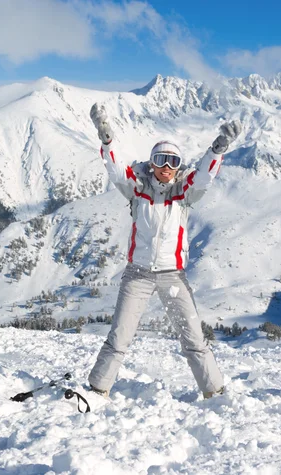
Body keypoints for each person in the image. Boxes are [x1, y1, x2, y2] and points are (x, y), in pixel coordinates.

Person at [87, 103, 242, 399]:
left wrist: (218, 148)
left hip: (173, 277)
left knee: (194, 338)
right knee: (120, 335)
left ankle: (215, 393)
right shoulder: (138, 188)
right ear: (152, 163)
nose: (167, 168)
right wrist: (106, 139)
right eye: (161, 160)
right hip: (138, 275)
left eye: (173, 161)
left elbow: (204, 177)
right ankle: (97, 389)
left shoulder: (183, 193)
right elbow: (116, 169)